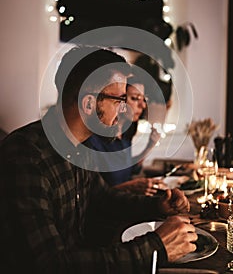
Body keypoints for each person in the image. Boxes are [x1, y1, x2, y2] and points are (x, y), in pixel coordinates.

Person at [0, 45, 197, 274]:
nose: (125, 111)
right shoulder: (25, 157)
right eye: (119, 101)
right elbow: (51, 264)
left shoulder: (81, 146)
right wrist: (155, 247)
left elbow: (103, 198)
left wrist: (157, 205)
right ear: (89, 103)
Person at [87, 72, 166, 196]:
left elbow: (130, 168)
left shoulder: (125, 134)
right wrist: (131, 187)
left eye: (143, 99)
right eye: (135, 98)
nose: (143, 105)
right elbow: (94, 194)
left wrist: (150, 145)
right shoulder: (93, 140)